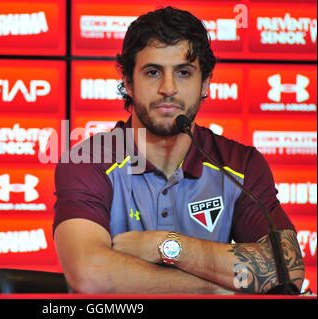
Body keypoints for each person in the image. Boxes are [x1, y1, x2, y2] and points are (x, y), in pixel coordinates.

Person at [53, 6, 304, 294]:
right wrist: (214, 291)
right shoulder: (88, 161)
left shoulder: (241, 165)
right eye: (152, 72)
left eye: (184, 72)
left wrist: (168, 246)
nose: (168, 88)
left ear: (205, 83)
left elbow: (288, 272)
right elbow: (90, 276)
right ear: (128, 82)